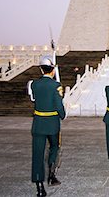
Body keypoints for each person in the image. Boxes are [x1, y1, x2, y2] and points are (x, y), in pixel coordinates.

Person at [28, 55, 66, 197]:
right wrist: (63, 114)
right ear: (53, 70)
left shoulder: (33, 84)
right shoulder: (56, 86)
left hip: (38, 123)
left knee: (37, 154)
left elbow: (33, 98)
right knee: (54, 147)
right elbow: (58, 105)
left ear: (41, 69)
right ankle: (51, 174)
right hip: (52, 124)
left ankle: (39, 187)